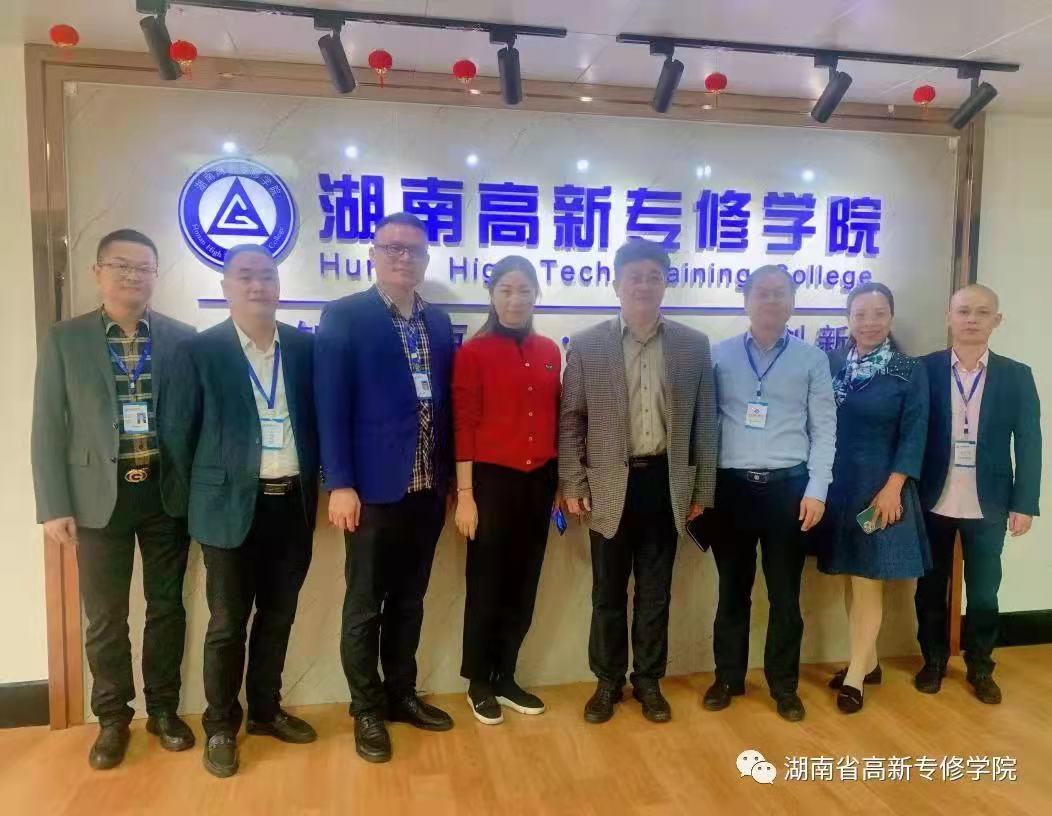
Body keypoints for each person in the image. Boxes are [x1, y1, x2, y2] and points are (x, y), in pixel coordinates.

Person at [31, 229, 196, 769]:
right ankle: (111, 719)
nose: (133, 276)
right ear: (98, 272)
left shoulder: (181, 338)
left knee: (166, 609)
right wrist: (53, 504)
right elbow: (48, 425)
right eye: (121, 265)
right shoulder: (66, 339)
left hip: (165, 492)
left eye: (144, 267)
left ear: (155, 275)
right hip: (96, 497)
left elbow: (192, 421)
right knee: (105, 617)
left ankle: (164, 710)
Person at [166, 245, 318, 777]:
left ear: (279, 285)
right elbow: (178, 437)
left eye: (268, 276)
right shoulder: (199, 351)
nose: (258, 285)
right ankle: (220, 726)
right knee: (228, 624)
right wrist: (206, 496)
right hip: (228, 509)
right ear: (226, 286)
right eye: (246, 276)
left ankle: (267, 711)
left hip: (292, 505)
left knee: (278, 616)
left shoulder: (303, 347)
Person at [315, 212, 456, 763]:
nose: (403, 258)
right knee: (364, 605)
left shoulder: (437, 321)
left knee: (410, 600)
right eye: (392, 248)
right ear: (373, 254)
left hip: (426, 489)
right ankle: (366, 709)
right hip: (370, 491)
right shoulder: (345, 315)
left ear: (425, 259)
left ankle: (401, 694)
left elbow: (444, 404)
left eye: (413, 250)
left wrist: (450, 481)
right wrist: (340, 483)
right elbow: (330, 404)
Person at [559, 238, 718, 725]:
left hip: (666, 484)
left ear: (666, 283)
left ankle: (648, 680)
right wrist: (572, 482)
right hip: (607, 487)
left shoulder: (693, 345)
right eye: (634, 277)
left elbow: (705, 425)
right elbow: (571, 419)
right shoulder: (587, 344)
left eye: (653, 277)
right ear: (616, 284)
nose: (643, 285)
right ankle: (607, 681)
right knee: (607, 593)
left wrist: (702, 492)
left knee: (655, 593)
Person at [704, 265, 836, 723]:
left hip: (789, 490)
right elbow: (705, 426)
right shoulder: (719, 355)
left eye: (780, 293)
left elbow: (824, 429)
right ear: (746, 300)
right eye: (762, 293)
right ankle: (727, 678)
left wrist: (817, 489)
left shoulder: (812, 359)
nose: (771, 301)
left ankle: (784, 685)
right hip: (731, 490)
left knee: (785, 595)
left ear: (793, 302)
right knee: (731, 591)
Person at [914, 284, 1041, 705]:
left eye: (982, 312)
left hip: (990, 501)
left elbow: (1029, 441)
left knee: (985, 592)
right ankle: (933, 661)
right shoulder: (924, 370)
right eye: (964, 311)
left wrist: (1024, 503)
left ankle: (981, 666)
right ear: (949, 317)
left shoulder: (1016, 375)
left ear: (996, 320)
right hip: (933, 498)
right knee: (930, 588)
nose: (972, 319)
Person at [452, 256, 561, 725]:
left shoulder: (550, 350)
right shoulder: (474, 352)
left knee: (525, 581)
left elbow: (556, 417)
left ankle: (506, 675)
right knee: (487, 584)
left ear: (536, 295)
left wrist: (560, 484)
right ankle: (478, 681)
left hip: (539, 481)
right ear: (492, 296)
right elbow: (464, 424)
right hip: (490, 482)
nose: (516, 300)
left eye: (524, 290)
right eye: (506, 290)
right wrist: (466, 495)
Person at [816, 282, 930, 714]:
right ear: (848, 319)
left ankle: (855, 678)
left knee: (868, 582)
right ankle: (870, 661)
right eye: (860, 314)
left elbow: (915, 433)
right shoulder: (831, 363)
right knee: (851, 575)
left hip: (882, 490)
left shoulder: (907, 369)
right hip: (838, 487)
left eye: (879, 313)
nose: (869, 322)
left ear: (891, 318)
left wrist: (894, 486)